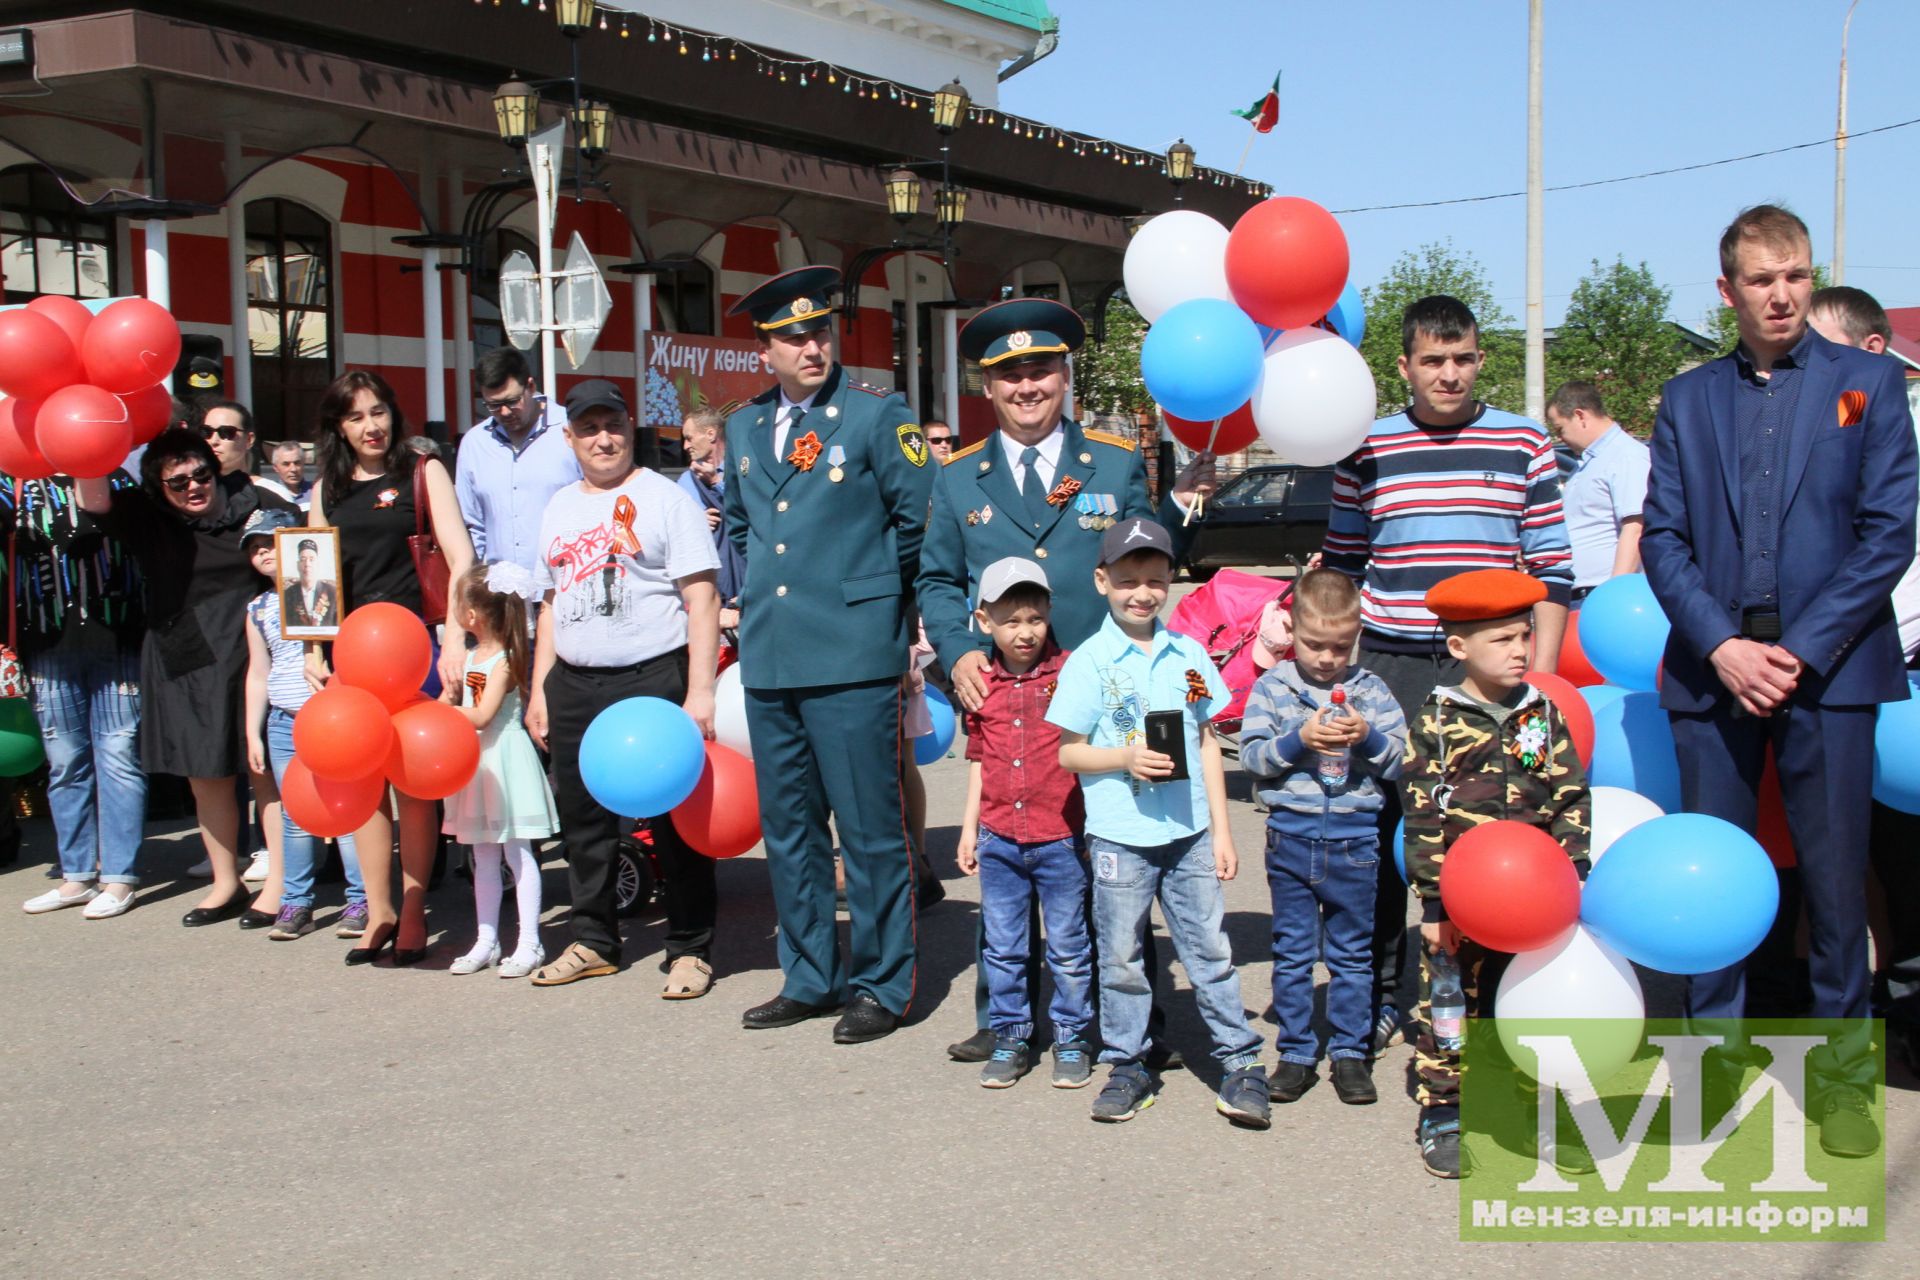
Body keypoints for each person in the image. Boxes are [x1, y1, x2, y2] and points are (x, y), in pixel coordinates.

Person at [1641, 205, 1917, 1158]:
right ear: (1729, 292)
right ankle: (1709, 1072)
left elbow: (1889, 534)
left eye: (1796, 274)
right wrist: (1722, 646)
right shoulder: (1688, 399)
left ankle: (1840, 1081)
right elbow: (1665, 541)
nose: (1783, 293)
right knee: (1713, 883)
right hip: (1716, 674)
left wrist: (1798, 650)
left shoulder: (1871, 385)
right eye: (1762, 279)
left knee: (1838, 889)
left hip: (1828, 673)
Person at [917, 296, 1212, 1064]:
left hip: (1108, 702)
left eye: (1041, 370)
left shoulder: (1113, 463)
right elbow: (939, 580)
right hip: (1009, 700)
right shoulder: (957, 479)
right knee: (1012, 849)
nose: (1027, 386)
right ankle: (1005, 1013)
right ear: (987, 387)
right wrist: (956, 653)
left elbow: (1150, 566)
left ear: (1065, 376)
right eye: (1010, 374)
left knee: (1122, 856)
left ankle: (1133, 1021)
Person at [1320, 294, 1574, 1058]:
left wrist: (1546, 684)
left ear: (1479, 359)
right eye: (1433, 360)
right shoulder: (1362, 446)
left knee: (1498, 833)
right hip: (1392, 666)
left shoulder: (1526, 442)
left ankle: (1493, 1006)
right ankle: (1377, 999)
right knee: (1390, 834)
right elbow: (1339, 568)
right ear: (1404, 367)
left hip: (1497, 678)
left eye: (1462, 358)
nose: (1450, 373)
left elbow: (1554, 572)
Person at [722, 265, 934, 1044]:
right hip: (774, 657)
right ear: (766, 349)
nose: (810, 347)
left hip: (853, 654)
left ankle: (884, 982)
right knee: (791, 828)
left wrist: (892, 618)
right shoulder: (745, 428)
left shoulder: (878, 417)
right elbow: (744, 530)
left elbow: (921, 527)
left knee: (872, 830)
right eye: (791, 337)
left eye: (819, 331)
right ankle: (811, 974)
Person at [1049, 518, 1269, 1129]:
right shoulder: (1089, 661)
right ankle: (1128, 1063)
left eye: (1154, 579)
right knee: (1120, 958)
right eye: (1127, 580)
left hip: (1190, 834)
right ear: (1102, 581)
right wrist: (1121, 757)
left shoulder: (1190, 655)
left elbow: (1205, 743)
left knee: (1210, 952)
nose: (1141, 592)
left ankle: (1241, 1062)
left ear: (1171, 579)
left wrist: (1223, 830)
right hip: (1121, 837)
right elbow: (1068, 751)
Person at [525, 379, 721, 992]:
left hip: (652, 677)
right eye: (588, 428)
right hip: (575, 684)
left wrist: (700, 691)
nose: (602, 438)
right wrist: (539, 690)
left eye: (612, 425)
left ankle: (689, 946)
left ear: (629, 426)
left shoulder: (665, 499)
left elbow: (703, 597)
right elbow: (550, 605)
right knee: (582, 823)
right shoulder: (559, 506)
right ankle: (593, 939)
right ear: (570, 438)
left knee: (673, 818)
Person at [1399, 568, 1590, 1178]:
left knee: (1531, 1006)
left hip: (1534, 903)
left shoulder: (1539, 714)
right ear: (1459, 648)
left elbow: (1568, 796)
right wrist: (1433, 907)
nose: (1519, 651)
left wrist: (1574, 874)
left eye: (1524, 636)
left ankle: (1532, 1108)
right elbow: (1422, 816)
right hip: (1462, 903)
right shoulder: (1436, 719)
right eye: (1501, 640)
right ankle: (1445, 1112)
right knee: (1451, 1008)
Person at [76, 428, 298, 925]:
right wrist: (85, 436)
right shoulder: (149, 516)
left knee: (265, 773)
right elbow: (92, 497)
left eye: (200, 473)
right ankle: (226, 882)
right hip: (185, 653)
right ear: (160, 488)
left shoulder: (255, 499)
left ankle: (282, 883)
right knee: (206, 776)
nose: (193, 486)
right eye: (178, 482)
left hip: (251, 653)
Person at [307, 369, 476, 965]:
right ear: (338, 427)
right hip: (353, 654)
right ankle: (376, 908)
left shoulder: (422, 472)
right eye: (355, 417)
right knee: (361, 780)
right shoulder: (326, 488)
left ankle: (411, 910)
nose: (369, 426)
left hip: (414, 652)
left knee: (412, 782)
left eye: (377, 412)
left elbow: (462, 560)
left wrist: (453, 640)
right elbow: (314, 574)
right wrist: (311, 648)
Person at [1238, 569, 1407, 1106]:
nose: (1328, 658)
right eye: (1315, 644)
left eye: (1341, 645)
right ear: (1292, 630)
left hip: (1356, 842)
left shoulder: (1371, 691)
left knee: (1353, 954)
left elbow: (1403, 760)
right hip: (1291, 837)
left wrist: (1369, 736)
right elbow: (1252, 758)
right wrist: (1297, 740)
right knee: (1291, 953)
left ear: (1357, 633)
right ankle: (1295, 1053)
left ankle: (1351, 1053)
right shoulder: (1273, 687)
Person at [1806, 284, 1920, 1072]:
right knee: (1861, 864)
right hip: (1838, 676)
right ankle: (1877, 1018)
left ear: (1869, 355)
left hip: (1900, 672)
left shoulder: (1884, 423)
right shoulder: (1834, 429)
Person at [954, 557, 1094, 1090]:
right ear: (984, 622)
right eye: (1010, 620)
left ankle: (1072, 1036)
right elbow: (977, 760)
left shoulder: (1072, 673)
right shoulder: (980, 685)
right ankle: (1011, 1036)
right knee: (1006, 947)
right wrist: (969, 830)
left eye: (1034, 618)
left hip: (1061, 838)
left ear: (1050, 614)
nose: (1024, 631)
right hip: (999, 839)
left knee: (1068, 947)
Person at [5, 471, 148, 919]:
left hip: (117, 639)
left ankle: (120, 877)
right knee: (65, 761)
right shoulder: (18, 483)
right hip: (48, 644)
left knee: (119, 756)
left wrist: (93, 479)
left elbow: (138, 531)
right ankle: (77, 875)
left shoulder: (117, 476)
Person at [242, 507, 365, 940]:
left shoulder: (333, 594)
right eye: (254, 548)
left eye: (269, 543)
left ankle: (360, 898)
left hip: (330, 718)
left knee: (348, 810)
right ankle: (296, 902)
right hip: (282, 719)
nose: (263, 553)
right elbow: (258, 672)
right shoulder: (258, 609)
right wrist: (251, 731)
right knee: (296, 814)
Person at [442, 562, 556, 977]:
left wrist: (448, 712)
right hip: (475, 764)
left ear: (471, 615)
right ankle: (485, 940)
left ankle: (530, 942)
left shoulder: (507, 660)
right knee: (483, 855)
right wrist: (439, 703)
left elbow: (485, 714)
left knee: (517, 853)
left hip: (504, 760)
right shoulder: (470, 656)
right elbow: (449, 707)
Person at [454, 346, 581, 575]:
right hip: (500, 594)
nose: (503, 412)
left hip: (565, 584)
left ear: (530, 387)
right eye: (493, 405)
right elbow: (472, 526)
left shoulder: (572, 430)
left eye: (512, 401)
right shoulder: (475, 444)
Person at [1543, 381, 1650, 603]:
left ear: (1580, 415)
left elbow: (1635, 529)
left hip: (1600, 594)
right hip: (1579, 593)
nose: (1559, 438)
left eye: (1560, 429)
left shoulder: (1626, 456)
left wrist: (1613, 597)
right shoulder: (1590, 462)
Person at [676, 404, 744, 631]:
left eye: (689, 438)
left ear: (711, 434)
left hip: (745, 573)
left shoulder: (740, 470)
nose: (686, 446)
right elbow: (675, 528)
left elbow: (752, 511)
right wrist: (695, 522)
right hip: (711, 578)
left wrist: (717, 483)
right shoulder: (686, 481)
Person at [197, 400, 294, 502]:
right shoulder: (193, 493)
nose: (213, 441)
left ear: (249, 440)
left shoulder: (274, 494)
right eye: (207, 432)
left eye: (226, 432)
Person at [280, 536, 339, 630]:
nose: (307, 564)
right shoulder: (287, 595)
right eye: (303, 559)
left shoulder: (333, 593)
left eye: (312, 559)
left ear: (318, 563)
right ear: (298, 565)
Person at [269, 441, 312, 510]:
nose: (293, 469)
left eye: (297, 463)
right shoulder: (270, 495)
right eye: (286, 464)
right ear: (275, 467)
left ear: (303, 463)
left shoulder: (316, 493)